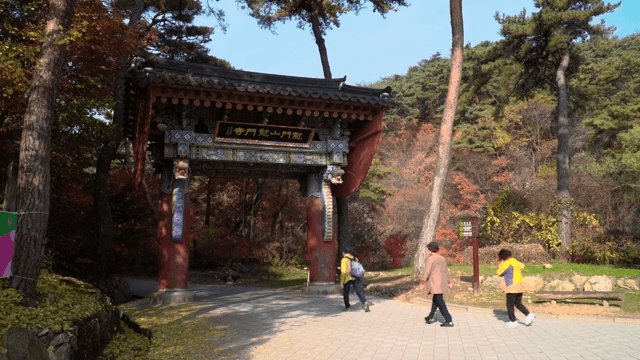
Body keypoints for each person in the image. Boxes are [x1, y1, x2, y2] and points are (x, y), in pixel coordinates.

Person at [497, 249, 535, 328]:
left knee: (510, 304)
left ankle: (513, 321)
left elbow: (499, 272)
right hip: (520, 285)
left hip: (512, 286)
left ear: (503, 257)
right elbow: (522, 266)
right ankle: (528, 315)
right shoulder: (517, 262)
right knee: (518, 303)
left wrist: (500, 264)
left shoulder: (507, 263)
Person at [422, 242, 454, 327]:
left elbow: (427, 271)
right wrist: (448, 282)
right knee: (436, 299)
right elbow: (445, 272)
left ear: (430, 251)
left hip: (435, 283)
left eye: (427, 249)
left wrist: (423, 281)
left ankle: (449, 320)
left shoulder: (430, 259)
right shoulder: (442, 258)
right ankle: (431, 317)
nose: (426, 251)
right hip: (442, 282)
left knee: (440, 302)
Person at [340, 247, 370, 312]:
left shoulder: (344, 260)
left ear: (343, 252)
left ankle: (347, 307)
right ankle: (365, 303)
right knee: (359, 291)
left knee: (346, 293)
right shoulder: (354, 258)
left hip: (348, 278)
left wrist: (342, 282)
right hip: (356, 277)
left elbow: (343, 272)